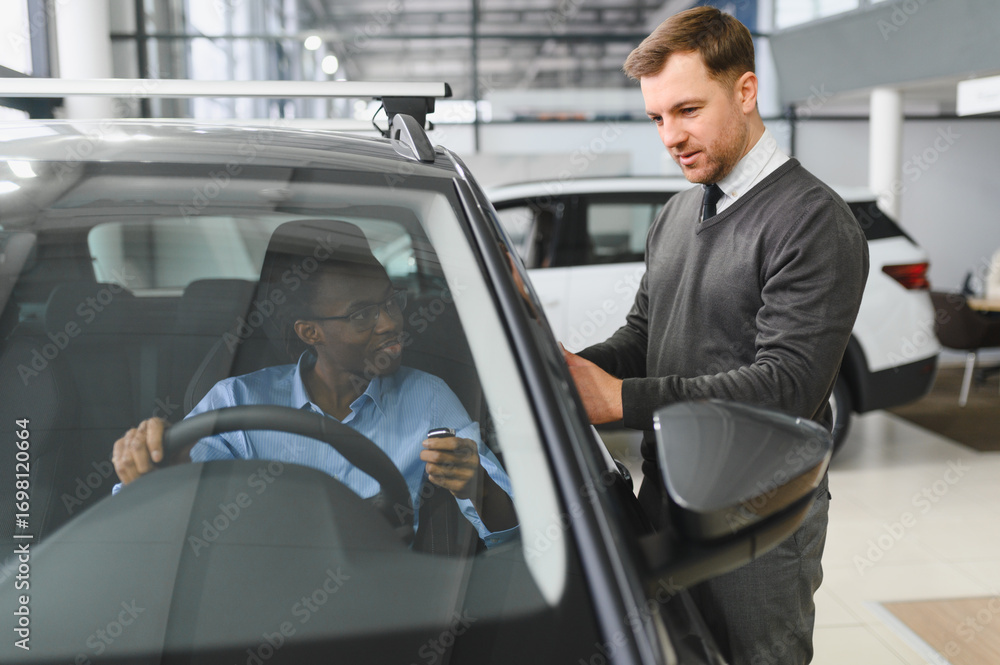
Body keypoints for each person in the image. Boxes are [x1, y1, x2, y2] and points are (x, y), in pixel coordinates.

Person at [562, 7, 868, 665]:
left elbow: (787, 386)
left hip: (755, 513)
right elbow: (643, 335)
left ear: (746, 91)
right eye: (657, 118)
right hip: (666, 494)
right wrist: (567, 373)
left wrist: (620, 399)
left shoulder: (812, 220)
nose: (671, 136)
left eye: (688, 110)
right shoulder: (676, 211)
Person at [112, 220, 518, 548]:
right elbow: (147, 519)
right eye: (362, 314)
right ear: (310, 332)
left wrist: (477, 487)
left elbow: (513, 533)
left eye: (390, 301)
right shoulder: (237, 402)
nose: (391, 323)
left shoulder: (428, 398)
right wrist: (153, 470)